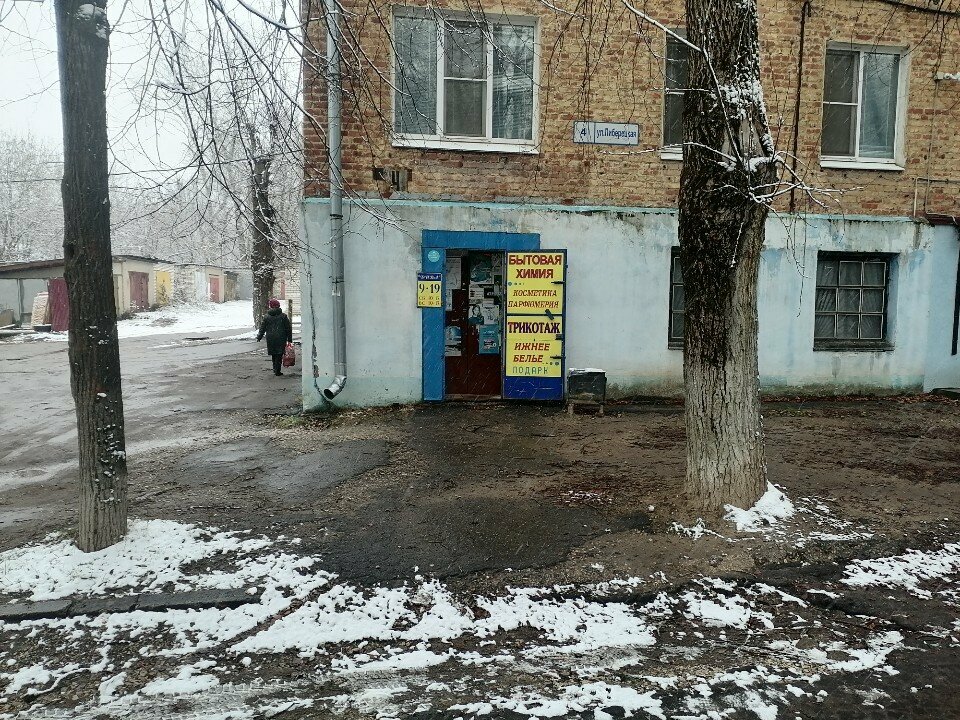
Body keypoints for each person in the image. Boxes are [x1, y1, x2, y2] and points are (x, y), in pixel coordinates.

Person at [256, 298, 293, 376]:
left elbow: (262, 328)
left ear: (271, 306)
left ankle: (275, 368)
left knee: (274, 353)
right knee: (279, 354)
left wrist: (259, 336)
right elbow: (288, 328)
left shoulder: (267, 317)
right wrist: (289, 339)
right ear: (278, 306)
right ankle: (277, 370)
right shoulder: (283, 316)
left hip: (271, 338)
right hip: (281, 337)